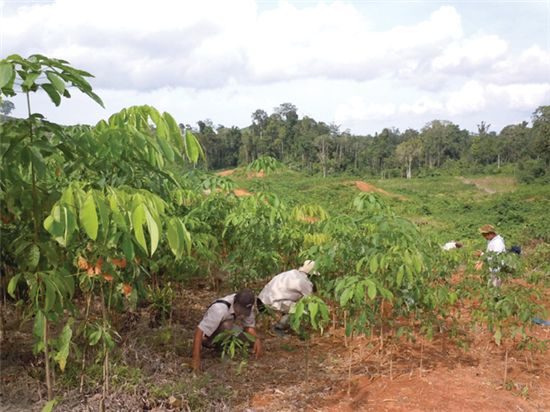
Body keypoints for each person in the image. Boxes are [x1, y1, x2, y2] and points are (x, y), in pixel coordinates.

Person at [191, 288, 261, 371]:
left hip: (229, 330)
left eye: (244, 311)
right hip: (209, 337)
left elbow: (248, 327)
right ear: (235, 301)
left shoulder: (248, 306)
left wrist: (256, 340)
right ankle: (219, 349)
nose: (240, 313)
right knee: (227, 326)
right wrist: (196, 358)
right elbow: (200, 331)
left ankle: (228, 346)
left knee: (251, 341)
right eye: (239, 310)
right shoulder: (219, 309)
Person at [257, 260, 318, 335]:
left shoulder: (292, 272)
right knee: (301, 309)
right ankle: (279, 327)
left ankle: (283, 323)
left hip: (261, 299)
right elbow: (311, 301)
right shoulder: (304, 282)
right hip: (272, 303)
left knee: (291, 303)